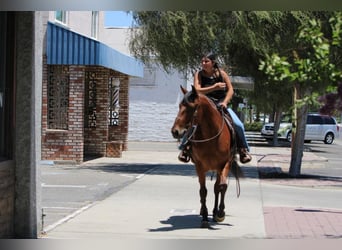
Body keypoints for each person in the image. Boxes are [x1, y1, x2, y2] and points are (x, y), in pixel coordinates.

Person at [178, 52, 252, 164]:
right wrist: (214, 87)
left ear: (213, 63)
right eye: (202, 61)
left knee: (238, 124)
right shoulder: (198, 74)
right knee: (192, 123)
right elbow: (197, 90)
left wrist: (225, 102)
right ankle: (185, 148)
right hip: (205, 106)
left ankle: (243, 150)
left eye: (206, 61)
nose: (203, 63)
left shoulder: (222, 74)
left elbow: (231, 90)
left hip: (221, 104)